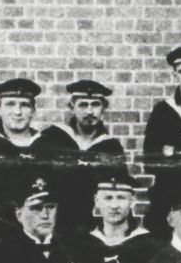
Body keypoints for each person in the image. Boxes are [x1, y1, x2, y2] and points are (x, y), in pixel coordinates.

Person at [37, 79, 129, 237]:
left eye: (95, 104)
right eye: (83, 105)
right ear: (72, 107)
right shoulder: (52, 138)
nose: (89, 111)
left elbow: (119, 190)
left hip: (92, 226)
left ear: (104, 108)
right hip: (52, 224)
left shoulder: (110, 147)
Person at [0, 77, 49, 245]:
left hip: (47, 238)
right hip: (5, 237)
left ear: (33, 110)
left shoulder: (49, 146)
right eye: (10, 104)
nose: (17, 112)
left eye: (24, 105)